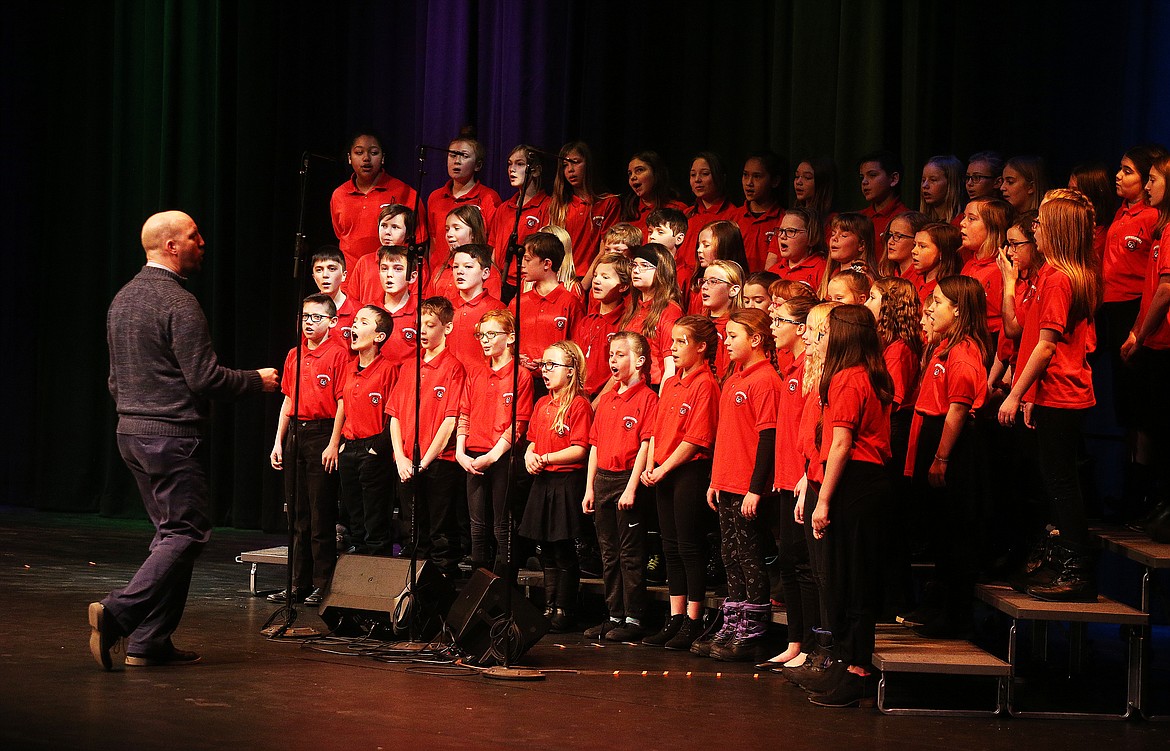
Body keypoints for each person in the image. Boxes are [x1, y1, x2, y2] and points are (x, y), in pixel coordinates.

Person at [91, 210, 278, 671]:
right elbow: (206, 378)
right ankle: (118, 612)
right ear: (171, 246)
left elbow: (115, 379)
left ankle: (150, 642)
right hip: (169, 436)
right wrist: (259, 381)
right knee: (186, 533)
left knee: (171, 536)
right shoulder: (177, 302)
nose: (203, 243)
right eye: (195, 236)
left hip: (132, 433)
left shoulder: (123, 297)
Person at [999, 190, 1102, 602]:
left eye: (1040, 224)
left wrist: (1015, 394)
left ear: (1056, 230)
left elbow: (1045, 346)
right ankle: (1060, 560)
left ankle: (1076, 569)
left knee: (1061, 483)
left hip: (1061, 393)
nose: (1035, 229)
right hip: (1047, 393)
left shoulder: (1061, 278)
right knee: (1051, 481)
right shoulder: (1051, 275)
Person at [806, 305, 894, 707]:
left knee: (853, 578)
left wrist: (822, 501)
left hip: (854, 481)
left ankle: (857, 670)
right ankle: (847, 662)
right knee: (851, 575)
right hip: (868, 482)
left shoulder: (847, 378)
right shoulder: (870, 375)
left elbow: (841, 444)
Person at [902, 277, 990, 637]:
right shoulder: (942, 348)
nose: (930, 308)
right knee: (939, 532)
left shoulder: (964, 352)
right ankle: (939, 607)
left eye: (937, 301)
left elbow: (957, 409)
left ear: (958, 309)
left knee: (955, 533)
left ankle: (956, 616)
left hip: (951, 445)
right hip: (934, 439)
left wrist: (941, 458)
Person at [639, 316, 721, 650]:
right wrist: (650, 466)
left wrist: (664, 468)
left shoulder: (706, 384)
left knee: (689, 546)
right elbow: (658, 431)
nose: (672, 349)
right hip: (663, 471)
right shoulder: (671, 383)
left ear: (701, 347)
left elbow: (696, 439)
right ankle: (674, 617)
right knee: (670, 546)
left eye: (680, 342)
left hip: (688, 471)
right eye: (671, 342)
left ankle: (694, 618)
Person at [705, 308, 782, 662]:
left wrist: (755, 487)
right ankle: (734, 619)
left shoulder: (765, 379)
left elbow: (768, 437)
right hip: (727, 481)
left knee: (750, 556)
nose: (726, 341)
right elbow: (728, 435)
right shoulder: (735, 376)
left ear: (755, 339)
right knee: (730, 554)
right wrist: (715, 479)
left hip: (747, 486)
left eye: (733, 336)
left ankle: (754, 627)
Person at [268, 294, 348, 607]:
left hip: (322, 432)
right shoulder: (294, 354)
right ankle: (296, 583)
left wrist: (333, 442)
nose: (309, 322)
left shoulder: (339, 354)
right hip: (296, 435)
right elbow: (288, 400)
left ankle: (322, 583)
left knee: (320, 514)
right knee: (297, 515)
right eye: (305, 316)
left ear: (332, 322)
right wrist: (278, 441)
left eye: (316, 317)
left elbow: (342, 401)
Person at [582, 332, 658, 641]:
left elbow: (645, 444)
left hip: (627, 480)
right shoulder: (608, 399)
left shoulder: (647, 398)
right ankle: (613, 614)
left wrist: (631, 488)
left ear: (638, 361)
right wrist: (590, 487)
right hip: (604, 480)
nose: (613, 360)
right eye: (611, 355)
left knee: (629, 553)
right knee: (608, 553)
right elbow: (595, 446)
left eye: (620, 355)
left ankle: (634, 617)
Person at [758, 295, 819, 672]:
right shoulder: (790, 369)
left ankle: (812, 643)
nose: (773, 327)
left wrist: (803, 474)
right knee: (789, 563)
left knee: (804, 567)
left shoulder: (810, 370)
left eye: (779, 320)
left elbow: (814, 430)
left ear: (800, 329)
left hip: (802, 480)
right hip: (784, 479)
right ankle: (795, 641)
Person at [387, 297, 467, 579]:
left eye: (430, 325)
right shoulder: (410, 366)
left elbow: (449, 421)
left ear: (447, 327)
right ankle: (411, 590)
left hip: (438, 463)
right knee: (411, 530)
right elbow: (394, 414)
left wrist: (424, 461)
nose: (423, 330)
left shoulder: (453, 368)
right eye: (420, 324)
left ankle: (441, 589)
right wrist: (400, 457)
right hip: (407, 462)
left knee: (440, 530)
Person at [520, 341, 594, 632]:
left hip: (565, 481)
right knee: (545, 550)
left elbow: (580, 449)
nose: (544, 371)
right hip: (544, 480)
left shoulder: (578, 405)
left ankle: (564, 608)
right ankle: (549, 606)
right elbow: (533, 440)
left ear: (571, 370)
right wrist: (530, 456)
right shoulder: (542, 403)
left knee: (563, 549)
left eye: (552, 365)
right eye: (543, 364)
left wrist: (546, 457)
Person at [456, 310, 533, 577]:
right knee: (477, 527)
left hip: (501, 457)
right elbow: (464, 414)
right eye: (481, 335)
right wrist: (459, 452)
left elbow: (519, 424)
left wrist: (493, 455)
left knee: (502, 525)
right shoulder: (476, 373)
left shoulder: (520, 376)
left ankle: (504, 586)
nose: (485, 341)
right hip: (473, 455)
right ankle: (478, 585)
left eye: (492, 334)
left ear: (510, 337)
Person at [338, 305, 398, 555]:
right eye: (355, 321)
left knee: (375, 514)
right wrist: (340, 444)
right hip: (349, 448)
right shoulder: (350, 367)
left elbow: (393, 415)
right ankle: (356, 565)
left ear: (379, 336)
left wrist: (377, 449)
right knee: (355, 514)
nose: (354, 326)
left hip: (373, 449)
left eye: (363, 322)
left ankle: (374, 570)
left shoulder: (388, 369)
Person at [330, 132, 422, 275]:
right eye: (359, 152)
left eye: (373, 153)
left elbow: (417, 239)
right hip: (349, 276)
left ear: (383, 157)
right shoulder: (339, 195)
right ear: (349, 158)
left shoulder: (403, 191)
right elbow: (340, 234)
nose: (366, 158)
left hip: (389, 276)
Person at [425, 133, 502, 263]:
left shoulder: (488, 197)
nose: (457, 161)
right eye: (452, 155)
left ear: (478, 165)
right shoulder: (436, 197)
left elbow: (492, 244)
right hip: (441, 273)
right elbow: (434, 242)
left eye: (464, 156)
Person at [488, 145, 551, 300]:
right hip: (502, 283)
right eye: (510, 164)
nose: (512, 169)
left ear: (535, 170)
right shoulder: (504, 208)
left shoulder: (547, 206)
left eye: (520, 164)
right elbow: (495, 251)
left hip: (528, 284)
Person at [548, 141, 620, 272]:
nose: (570, 169)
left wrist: (583, 284)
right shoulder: (559, 205)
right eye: (565, 165)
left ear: (588, 164)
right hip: (562, 278)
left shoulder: (608, 203)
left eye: (575, 162)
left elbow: (606, 250)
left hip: (592, 279)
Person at [621, 244, 684, 387]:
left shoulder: (669, 310)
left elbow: (671, 366)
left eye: (644, 265)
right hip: (630, 387)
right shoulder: (633, 308)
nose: (636, 270)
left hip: (654, 387)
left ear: (661, 271)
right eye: (634, 265)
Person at [574, 252, 631, 399]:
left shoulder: (625, 323)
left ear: (623, 286)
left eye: (605, 277)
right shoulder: (586, 321)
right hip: (580, 397)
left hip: (605, 398)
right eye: (595, 276)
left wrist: (597, 404)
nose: (597, 281)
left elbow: (619, 374)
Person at [446, 243, 505, 371]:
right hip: (448, 381)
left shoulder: (497, 309)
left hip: (481, 381)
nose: (460, 271)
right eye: (455, 267)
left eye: (468, 266)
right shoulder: (445, 307)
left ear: (485, 273)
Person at [737, 151, 787, 273]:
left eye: (757, 176)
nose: (749, 183)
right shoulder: (733, 217)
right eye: (745, 175)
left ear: (775, 181)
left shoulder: (784, 220)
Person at [621, 150, 685, 232]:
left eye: (639, 170)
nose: (633, 177)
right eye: (630, 173)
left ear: (656, 173)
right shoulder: (628, 213)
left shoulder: (676, 209)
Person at [309, 247, 360, 347]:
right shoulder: (307, 310)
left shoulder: (358, 311)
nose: (325, 275)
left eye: (332, 269)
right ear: (314, 277)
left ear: (344, 275)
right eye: (319, 270)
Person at [858, 150, 907, 248]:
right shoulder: (859, 218)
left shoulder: (905, 219)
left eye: (872, 175)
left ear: (893, 179)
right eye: (862, 177)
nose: (864, 182)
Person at [768, 207, 827, 288]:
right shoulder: (773, 271)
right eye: (781, 231)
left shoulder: (823, 271)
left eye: (791, 231)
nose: (782, 236)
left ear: (812, 237)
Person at [919, 155, 964, 224]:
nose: (924, 185)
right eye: (923, 180)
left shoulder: (962, 224)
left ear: (950, 184)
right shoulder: (921, 223)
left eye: (933, 180)